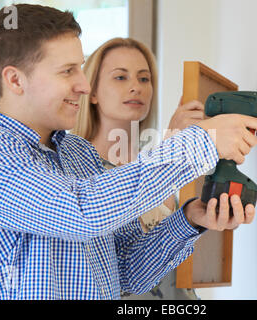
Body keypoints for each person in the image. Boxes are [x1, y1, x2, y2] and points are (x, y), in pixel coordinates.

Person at [0, 4, 257, 300]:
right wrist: (200, 143)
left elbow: (128, 270)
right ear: (15, 79)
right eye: (67, 71)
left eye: (81, 69)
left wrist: (189, 219)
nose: (84, 86)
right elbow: (82, 211)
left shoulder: (80, 154)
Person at [72, 37, 209, 299]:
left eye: (144, 79)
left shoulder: (152, 164)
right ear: (92, 91)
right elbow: (120, 267)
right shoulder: (79, 171)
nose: (136, 87)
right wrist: (171, 147)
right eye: (120, 77)